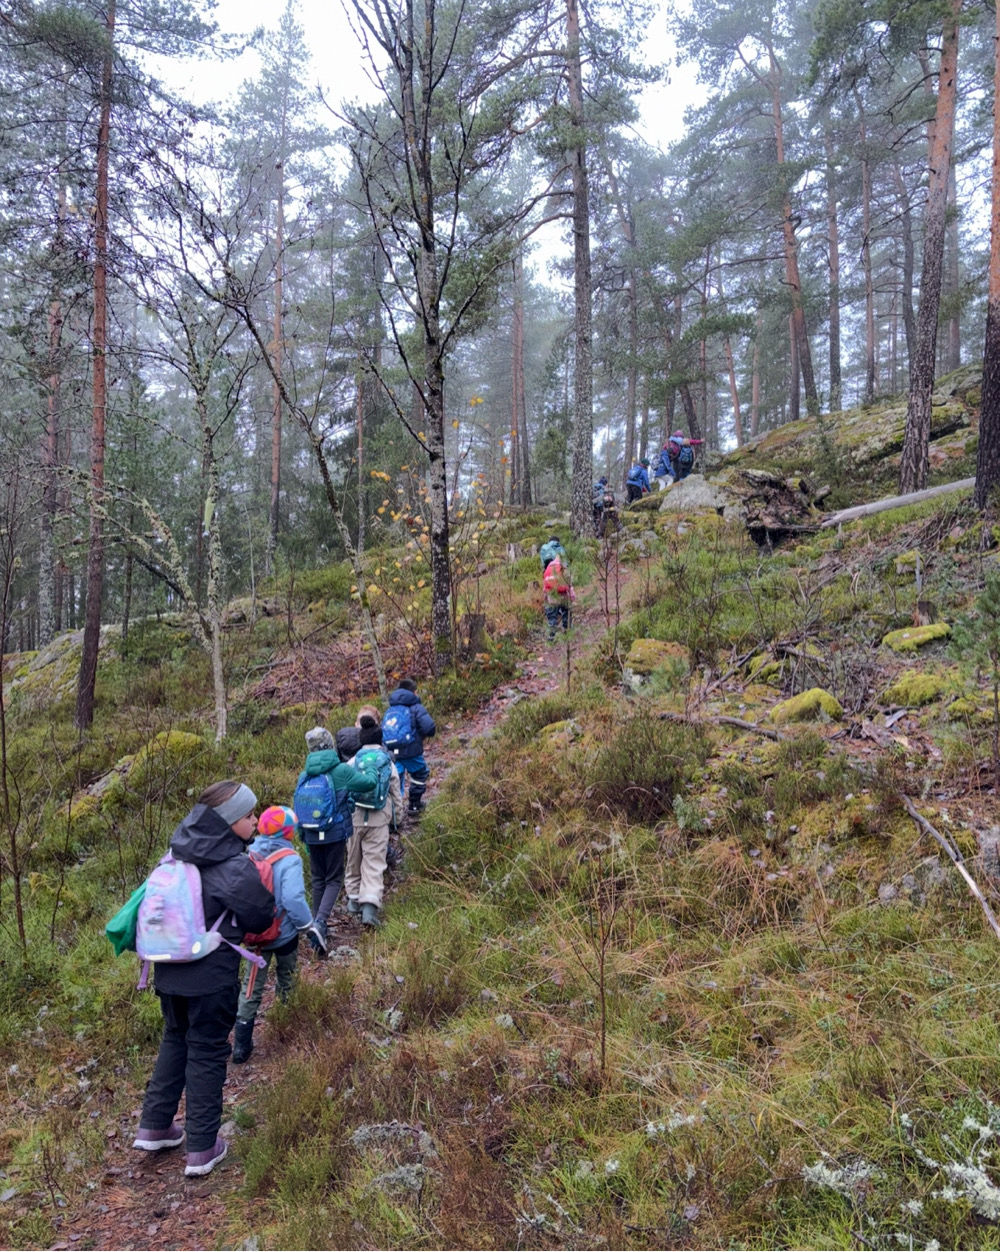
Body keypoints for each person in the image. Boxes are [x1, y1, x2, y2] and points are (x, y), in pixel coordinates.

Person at [132, 780, 275, 1178]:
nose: (254, 821)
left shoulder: (177, 853)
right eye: (248, 816)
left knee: (175, 1039)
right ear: (230, 822)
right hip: (211, 975)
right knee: (209, 1050)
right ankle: (201, 1147)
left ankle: (155, 1126)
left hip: (168, 971)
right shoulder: (230, 864)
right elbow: (261, 915)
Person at [231, 806, 327, 1066]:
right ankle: (286, 1026)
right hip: (283, 934)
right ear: (288, 832)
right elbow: (293, 899)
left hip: (253, 935)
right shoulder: (290, 858)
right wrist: (308, 927)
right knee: (288, 977)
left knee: (251, 986)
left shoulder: (248, 853)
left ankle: (241, 1045)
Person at [295, 726, 381, 937]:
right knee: (333, 879)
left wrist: (303, 836)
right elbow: (369, 784)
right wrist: (371, 766)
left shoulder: (304, 775)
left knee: (317, 879)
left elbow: (299, 806)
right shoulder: (341, 771)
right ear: (330, 745)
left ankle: (317, 924)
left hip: (312, 832)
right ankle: (320, 922)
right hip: (333, 833)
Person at [345, 716, 403, 927]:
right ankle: (369, 907)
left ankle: (352, 902)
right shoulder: (387, 762)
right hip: (379, 819)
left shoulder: (352, 762)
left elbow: (344, 790)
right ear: (380, 740)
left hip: (355, 818)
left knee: (353, 859)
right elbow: (396, 793)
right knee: (374, 862)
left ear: (361, 740)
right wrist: (398, 817)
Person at [382, 678, 436, 815]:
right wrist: (420, 736)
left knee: (396, 782)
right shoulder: (415, 707)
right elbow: (429, 728)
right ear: (413, 692)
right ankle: (414, 805)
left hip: (392, 752)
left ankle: (395, 815)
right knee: (420, 773)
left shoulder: (390, 709)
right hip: (411, 750)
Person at [543, 553, 575, 643]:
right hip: (563, 595)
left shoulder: (548, 568)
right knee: (566, 613)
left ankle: (551, 636)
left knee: (552, 617)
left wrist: (545, 597)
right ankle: (567, 632)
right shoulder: (564, 567)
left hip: (552, 595)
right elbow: (569, 583)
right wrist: (572, 596)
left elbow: (545, 585)